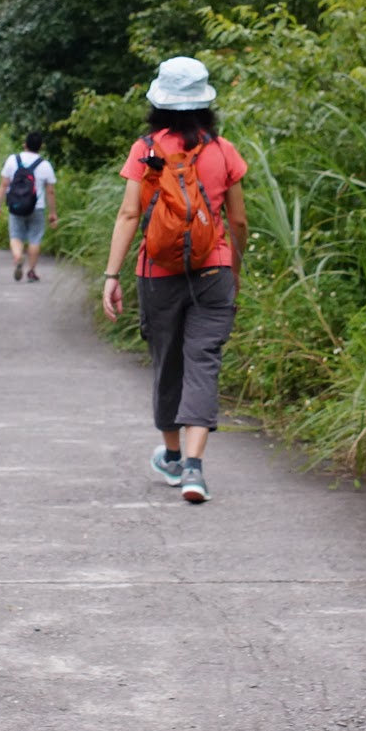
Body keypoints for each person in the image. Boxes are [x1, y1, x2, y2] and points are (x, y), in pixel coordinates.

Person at [102, 56, 248, 504]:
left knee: (168, 362)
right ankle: (194, 468)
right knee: (203, 362)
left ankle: (171, 455)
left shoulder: (145, 149)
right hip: (214, 270)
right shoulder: (222, 150)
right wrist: (234, 266)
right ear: (205, 103)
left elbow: (129, 214)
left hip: (157, 273)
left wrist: (111, 274)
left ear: (159, 103)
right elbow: (239, 221)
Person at [0, 131, 59, 282]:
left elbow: (4, 185)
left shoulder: (12, 160)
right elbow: (51, 191)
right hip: (37, 207)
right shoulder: (45, 165)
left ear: (25, 144)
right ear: (40, 146)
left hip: (16, 205)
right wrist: (52, 213)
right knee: (35, 238)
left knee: (16, 235)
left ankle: (18, 256)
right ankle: (31, 271)